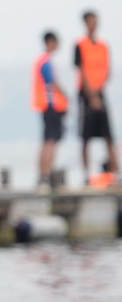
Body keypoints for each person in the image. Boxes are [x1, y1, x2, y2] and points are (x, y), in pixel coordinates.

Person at [74, 10, 120, 185]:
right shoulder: (80, 44)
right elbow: (81, 70)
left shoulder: (103, 45)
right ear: (85, 23)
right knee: (85, 137)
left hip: (100, 92)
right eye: (90, 21)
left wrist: (98, 92)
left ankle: (115, 173)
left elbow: (107, 70)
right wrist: (91, 95)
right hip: (85, 94)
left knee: (108, 135)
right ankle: (86, 174)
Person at [31, 31, 68, 190]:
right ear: (50, 42)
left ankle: (44, 174)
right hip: (51, 107)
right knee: (50, 141)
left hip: (47, 107)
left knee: (47, 141)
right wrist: (66, 96)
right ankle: (45, 174)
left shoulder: (42, 61)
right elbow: (52, 83)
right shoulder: (45, 62)